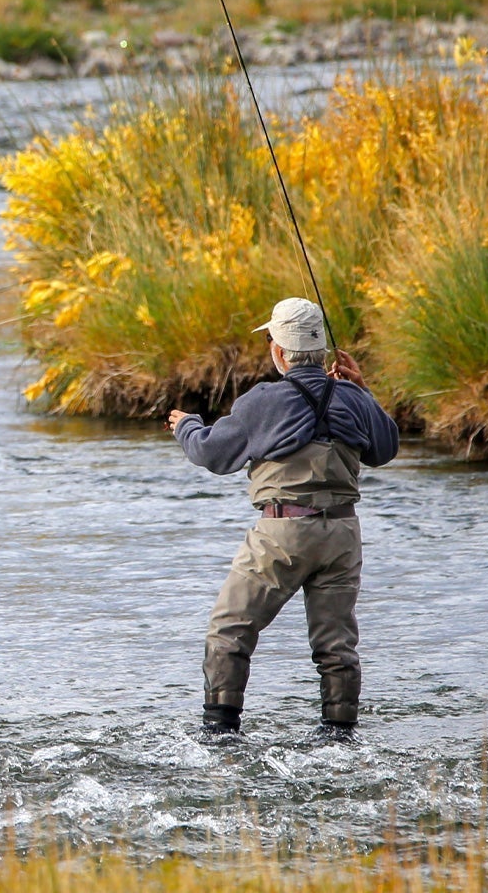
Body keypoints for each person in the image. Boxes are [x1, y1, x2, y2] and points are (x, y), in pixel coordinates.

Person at [166, 297, 400, 737]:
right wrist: (363, 391)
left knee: (228, 631)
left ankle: (219, 734)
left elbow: (211, 454)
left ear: (278, 351)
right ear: (322, 350)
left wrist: (187, 426)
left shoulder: (264, 401)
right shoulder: (352, 397)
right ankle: (339, 737)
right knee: (336, 647)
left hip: (283, 533)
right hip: (343, 534)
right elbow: (385, 449)